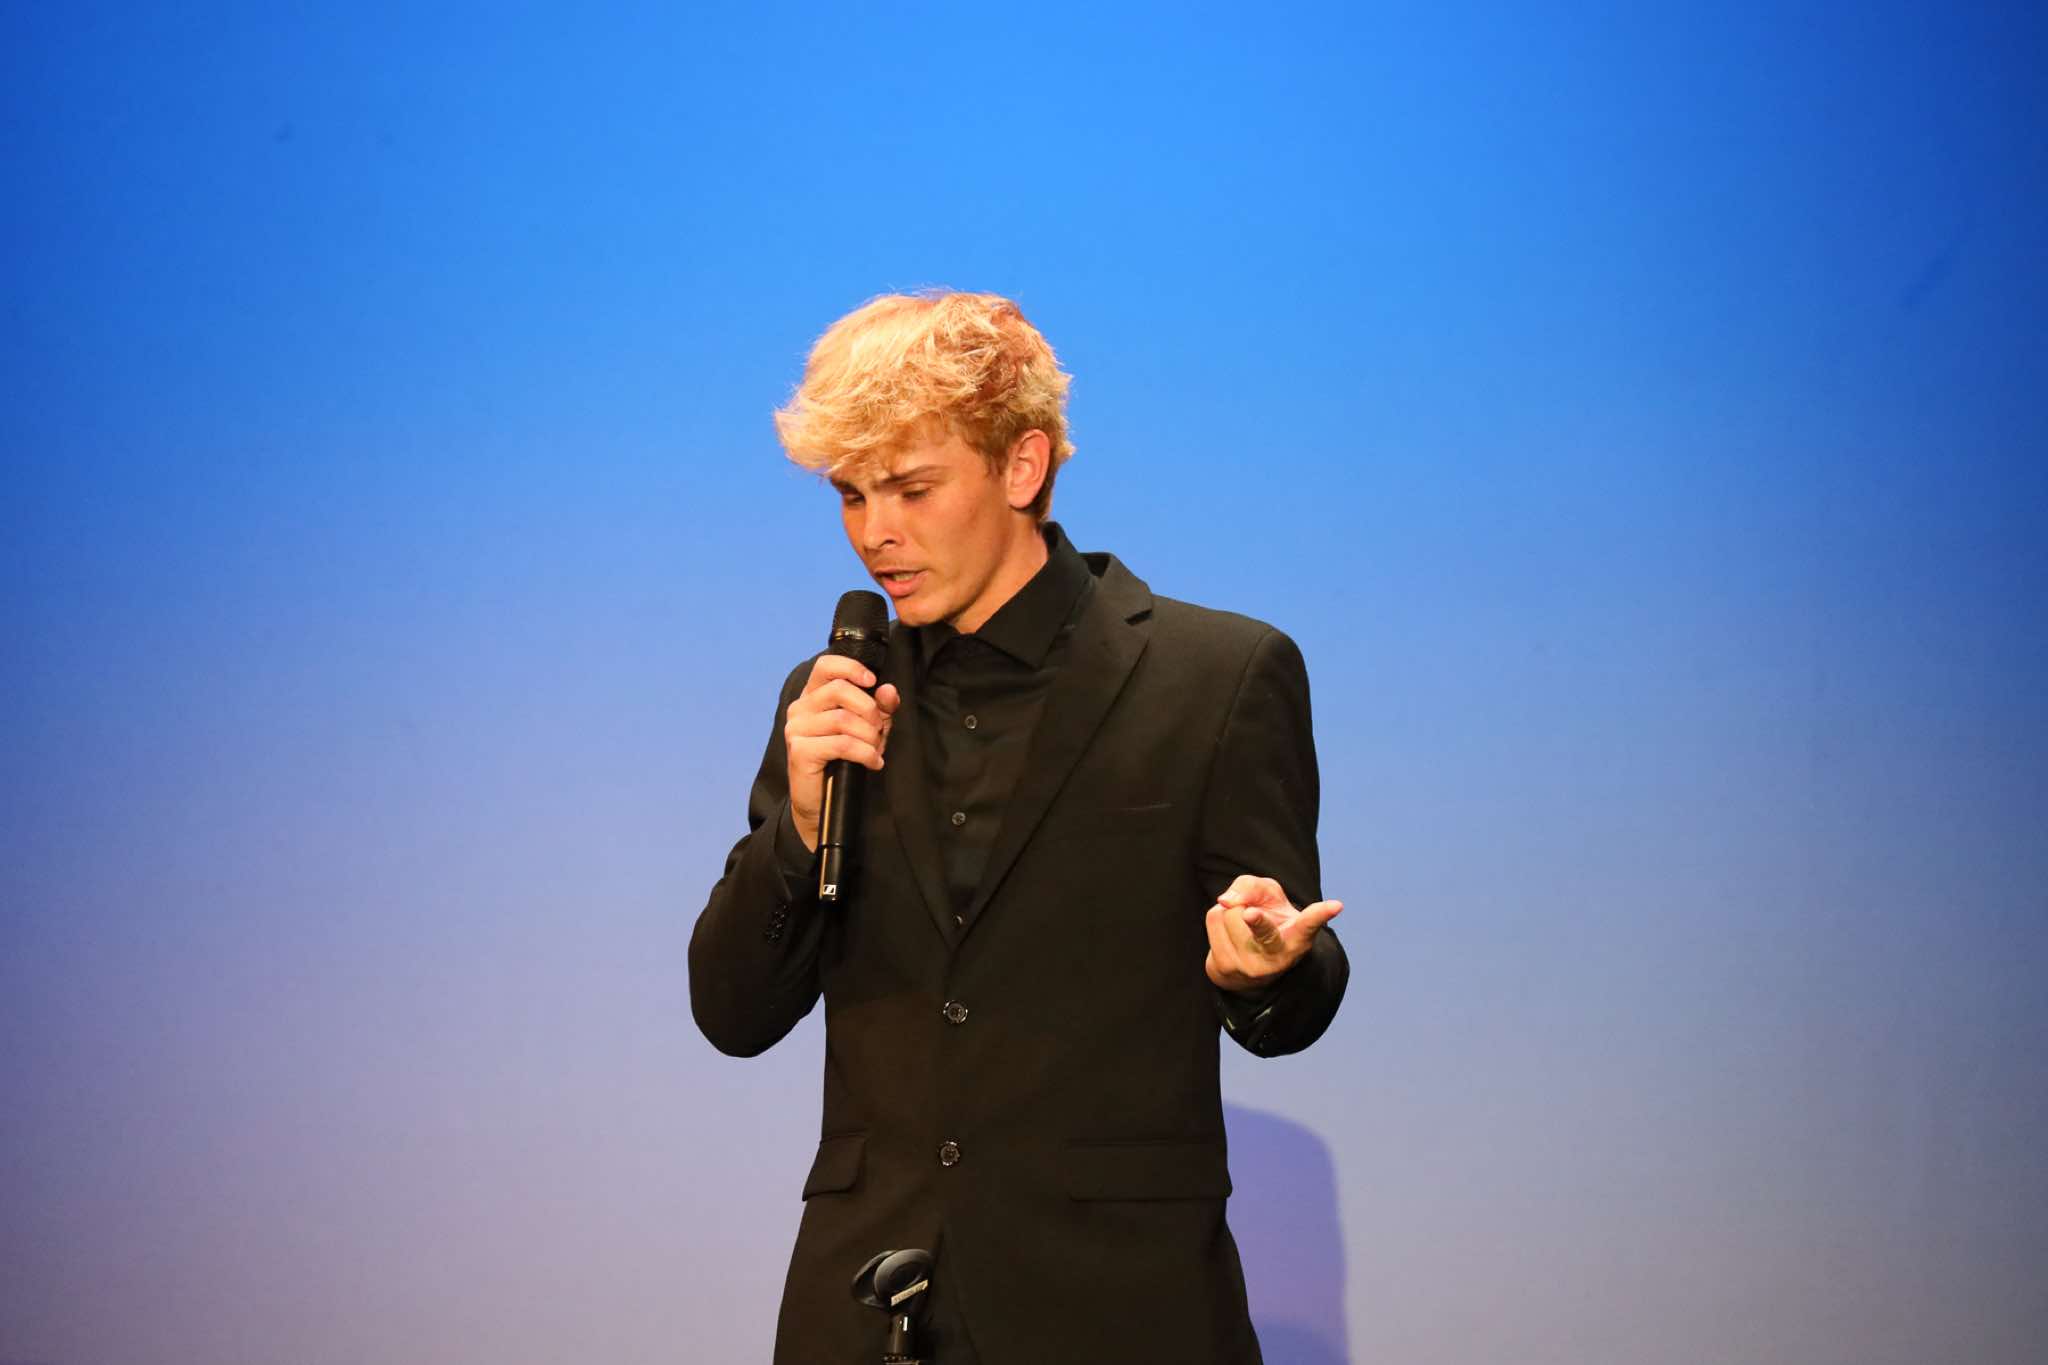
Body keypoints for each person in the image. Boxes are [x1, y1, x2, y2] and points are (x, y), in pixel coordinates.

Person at [689, 291, 1348, 1365]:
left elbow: (1295, 988)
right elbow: (732, 1010)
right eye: (850, 494)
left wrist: (1262, 967)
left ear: (1022, 467)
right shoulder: (834, 698)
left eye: (910, 488)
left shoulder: (1216, 679)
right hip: (867, 1307)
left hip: (1118, 1310)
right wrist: (799, 829)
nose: (874, 533)